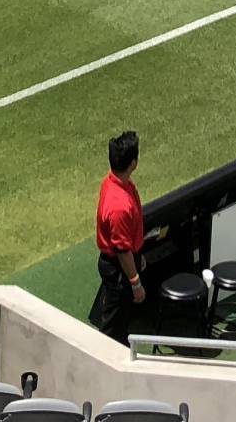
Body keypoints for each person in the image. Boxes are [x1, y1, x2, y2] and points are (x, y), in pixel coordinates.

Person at [89, 131, 145, 342]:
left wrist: (138, 253)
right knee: (114, 327)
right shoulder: (120, 205)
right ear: (133, 163)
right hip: (119, 269)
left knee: (118, 317)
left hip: (122, 263)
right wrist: (135, 281)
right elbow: (122, 250)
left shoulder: (113, 183)